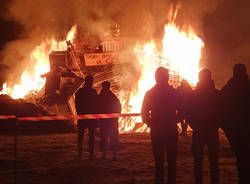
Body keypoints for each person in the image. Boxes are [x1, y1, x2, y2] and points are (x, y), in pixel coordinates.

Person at [141, 67, 181, 184]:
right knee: (172, 162)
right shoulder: (173, 93)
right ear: (167, 77)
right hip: (170, 131)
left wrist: (151, 123)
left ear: (156, 78)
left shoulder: (150, 93)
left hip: (157, 131)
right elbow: (183, 110)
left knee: (159, 162)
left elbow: (144, 113)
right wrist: (175, 120)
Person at [186, 69, 220, 184]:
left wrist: (193, 125)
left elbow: (188, 112)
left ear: (199, 78)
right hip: (211, 131)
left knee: (198, 163)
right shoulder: (217, 94)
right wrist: (216, 124)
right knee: (214, 162)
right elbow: (222, 112)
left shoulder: (193, 95)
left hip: (199, 131)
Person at [221, 63, 250, 184]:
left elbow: (221, 111)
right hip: (244, 129)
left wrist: (228, 130)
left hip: (235, 131)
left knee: (241, 159)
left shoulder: (227, 89)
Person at [75, 75, 98, 160]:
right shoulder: (93, 92)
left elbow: (77, 104)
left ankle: (80, 153)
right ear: (90, 82)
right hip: (91, 117)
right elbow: (96, 104)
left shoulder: (79, 92)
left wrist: (80, 114)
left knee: (81, 135)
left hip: (83, 116)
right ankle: (91, 154)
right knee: (91, 136)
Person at [98, 81, 121, 160]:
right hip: (112, 122)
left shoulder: (101, 97)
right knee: (113, 137)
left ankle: (104, 155)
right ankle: (114, 155)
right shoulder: (113, 96)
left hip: (105, 122)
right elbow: (118, 108)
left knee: (104, 137)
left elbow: (97, 108)